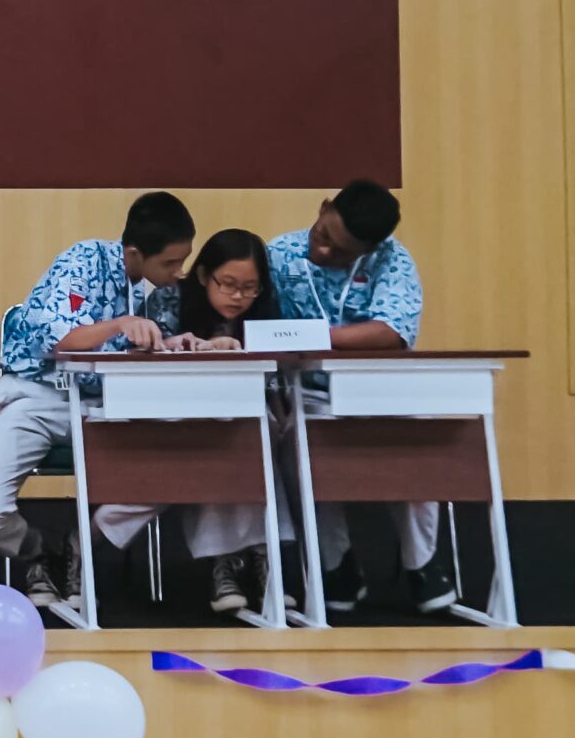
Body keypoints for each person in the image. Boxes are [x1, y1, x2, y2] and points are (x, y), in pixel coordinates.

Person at [0, 192, 195, 608]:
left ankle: (82, 543)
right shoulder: (84, 260)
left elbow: (151, 347)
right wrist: (121, 324)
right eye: (170, 262)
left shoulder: (164, 291)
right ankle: (37, 551)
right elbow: (62, 339)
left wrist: (175, 344)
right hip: (39, 398)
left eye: (184, 260)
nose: (179, 272)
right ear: (135, 253)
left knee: (182, 464)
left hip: (113, 404)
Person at [95, 229, 293, 617]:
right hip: (172, 417)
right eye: (228, 284)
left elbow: (277, 379)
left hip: (238, 421)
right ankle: (253, 561)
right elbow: (145, 362)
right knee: (224, 437)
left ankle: (234, 563)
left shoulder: (265, 311)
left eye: (249, 288)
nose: (239, 296)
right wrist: (201, 353)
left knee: (249, 432)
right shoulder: (169, 299)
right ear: (203, 275)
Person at [271, 181, 445, 613]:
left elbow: (391, 332)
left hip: (381, 390)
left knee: (418, 440)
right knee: (299, 444)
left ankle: (421, 564)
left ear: (370, 249)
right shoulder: (279, 255)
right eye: (323, 235)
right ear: (323, 208)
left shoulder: (393, 260)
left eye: (342, 252)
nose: (325, 251)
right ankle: (336, 565)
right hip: (308, 392)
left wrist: (311, 338)